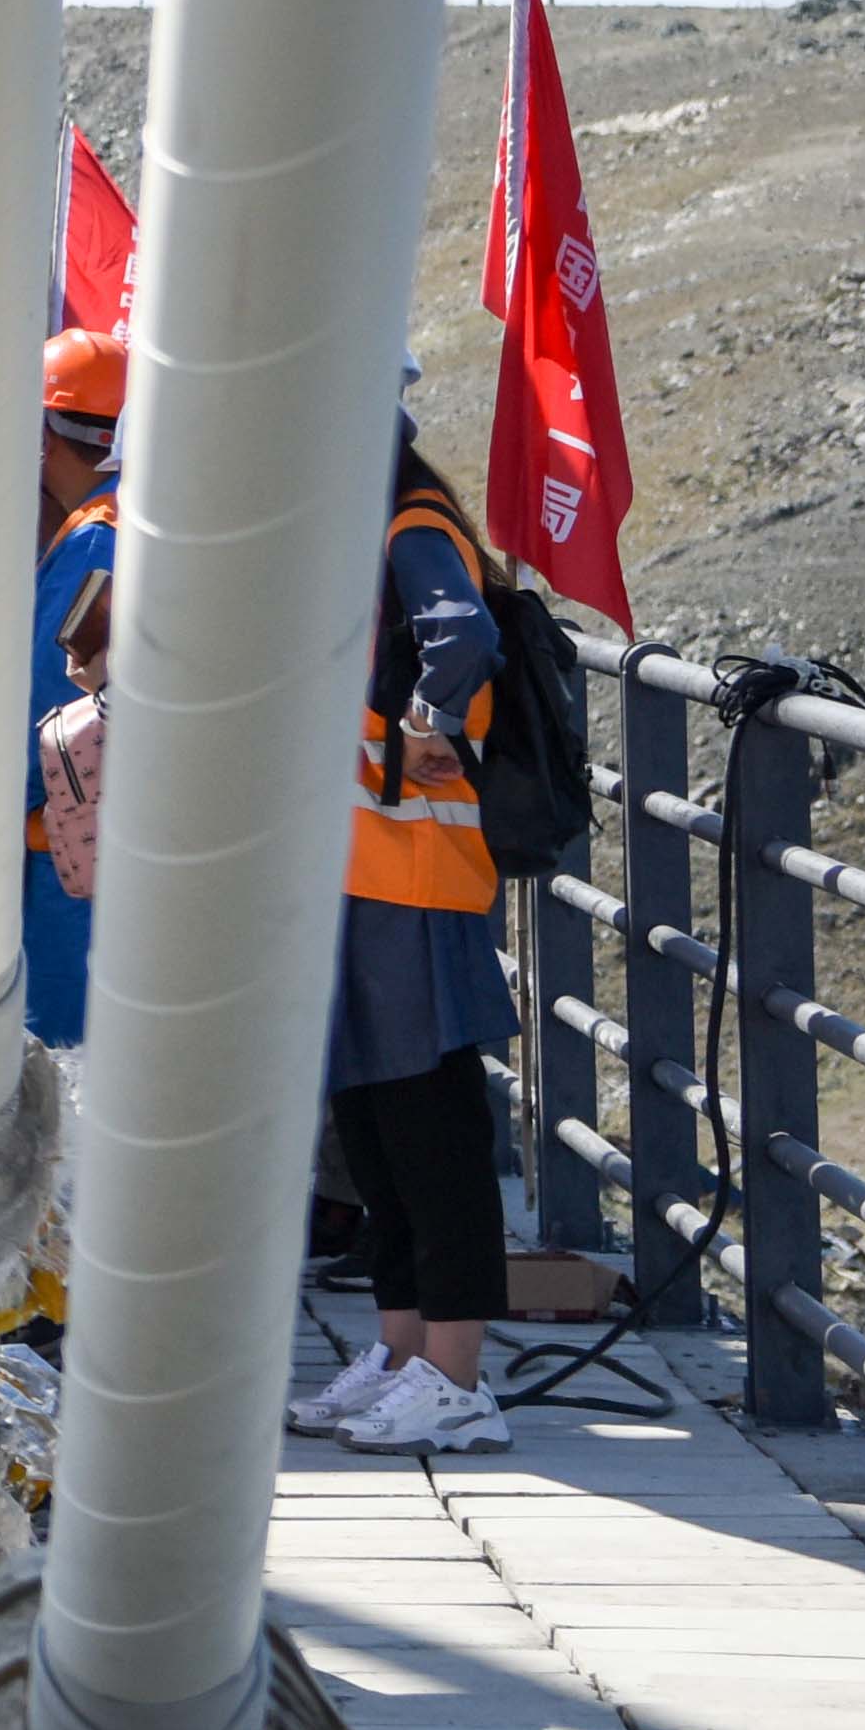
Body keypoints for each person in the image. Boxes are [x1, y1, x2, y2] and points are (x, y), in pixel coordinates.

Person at [299, 405, 524, 1455]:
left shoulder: (409, 529)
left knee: (431, 1129)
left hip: (416, 879)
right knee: (379, 1129)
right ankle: (398, 1353)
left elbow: (465, 635)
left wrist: (429, 724)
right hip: (363, 875)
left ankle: (456, 1375)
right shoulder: (371, 532)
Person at [17, 329, 128, 1046]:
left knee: (62, 1068)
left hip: (70, 853)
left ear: (46, 435)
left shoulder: (94, 540)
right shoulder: (139, 517)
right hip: (116, 842)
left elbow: (41, 711)